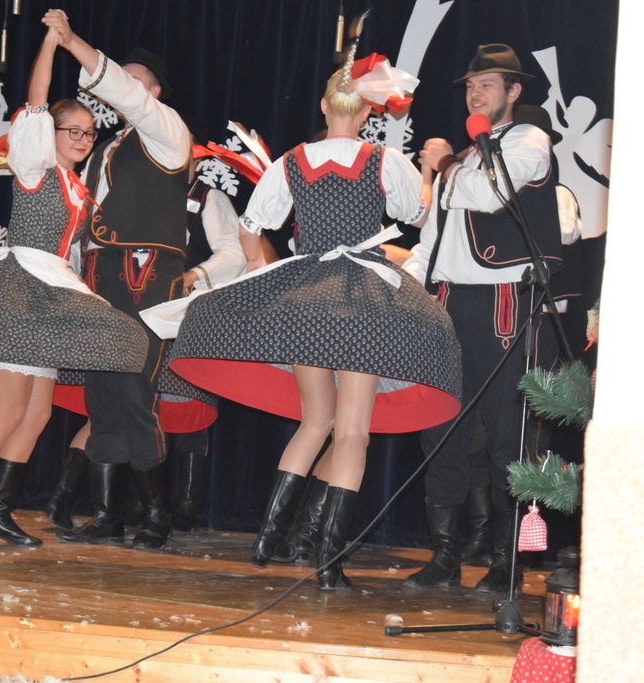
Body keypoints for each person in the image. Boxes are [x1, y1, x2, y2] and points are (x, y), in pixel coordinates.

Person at [146, 51, 462, 590]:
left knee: (315, 423)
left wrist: (259, 268)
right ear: (368, 112)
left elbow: (251, 225)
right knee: (353, 432)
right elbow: (416, 213)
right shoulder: (384, 160)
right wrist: (429, 172)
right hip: (362, 302)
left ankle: (267, 540)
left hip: (306, 299)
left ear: (323, 105)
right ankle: (328, 562)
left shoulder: (291, 161)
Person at [0, 26, 148, 548]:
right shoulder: (36, 167)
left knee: (37, 413)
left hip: (50, 294)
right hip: (16, 292)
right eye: (72, 131)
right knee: (9, 411)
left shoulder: (77, 187)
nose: (82, 140)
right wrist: (52, 43)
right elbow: (36, 100)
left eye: (89, 133)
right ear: (49, 134)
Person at [401, 45, 563, 593]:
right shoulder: (470, 155)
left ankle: (506, 562)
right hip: (450, 301)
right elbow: (433, 241)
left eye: (488, 84)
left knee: (507, 438)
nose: (475, 93)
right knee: (441, 431)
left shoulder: (527, 140)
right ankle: (445, 556)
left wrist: (446, 164)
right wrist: (409, 288)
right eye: (471, 85)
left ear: (514, 92)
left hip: (503, 304)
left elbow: (490, 195)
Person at [42, 10, 192, 551]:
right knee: (102, 393)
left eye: (133, 80)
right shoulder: (107, 147)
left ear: (152, 91)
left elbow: (130, 99)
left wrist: (73, 42)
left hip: (144, 274)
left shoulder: (168, 131)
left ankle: (156, 515)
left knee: (133, 389)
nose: (123, 88)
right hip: (101, 273)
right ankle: (106, 515)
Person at [45, 173, 247, 532]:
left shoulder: (204, 196)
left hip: (174, 315)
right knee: (108, 406)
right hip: (116, 307)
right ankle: (103, 511)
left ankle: (166, 512)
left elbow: (234, 253)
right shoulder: (119, 186)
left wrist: (193, 276)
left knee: (171, 409)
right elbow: (85, 244)